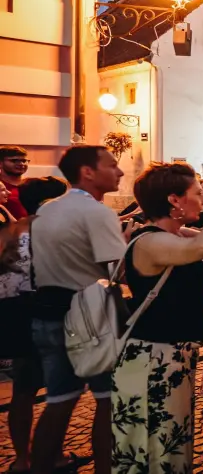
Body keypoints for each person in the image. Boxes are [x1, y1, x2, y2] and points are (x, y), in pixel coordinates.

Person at [112, 161, 203, 473]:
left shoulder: (179, 235)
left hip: (173, 357)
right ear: (174, 200)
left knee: (171, 445)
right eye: (199, 193)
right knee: (151, 450)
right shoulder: (150, 241)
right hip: (151, 359)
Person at [29, 146, 126, 474]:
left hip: (48, 310)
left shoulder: (46, 211)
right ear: (87, 171)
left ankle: (40, 467)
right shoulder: (98, 213)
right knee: (107, 399)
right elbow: (117, 270)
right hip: (90, 316)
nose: (120, 172)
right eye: (113, 165)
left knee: (58, 400)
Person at [0, 177, 69, 474]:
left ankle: (21, 459)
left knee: (22, 390)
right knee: (60, 389)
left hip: (11, 312)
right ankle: (51, 455)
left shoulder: (9, 232)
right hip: (45, 311)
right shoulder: (52, 234)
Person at [0, 145, 29, 219]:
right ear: (0, 163)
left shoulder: (33, 185)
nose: (21, 164)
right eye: (14, 160)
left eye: (24, 161)